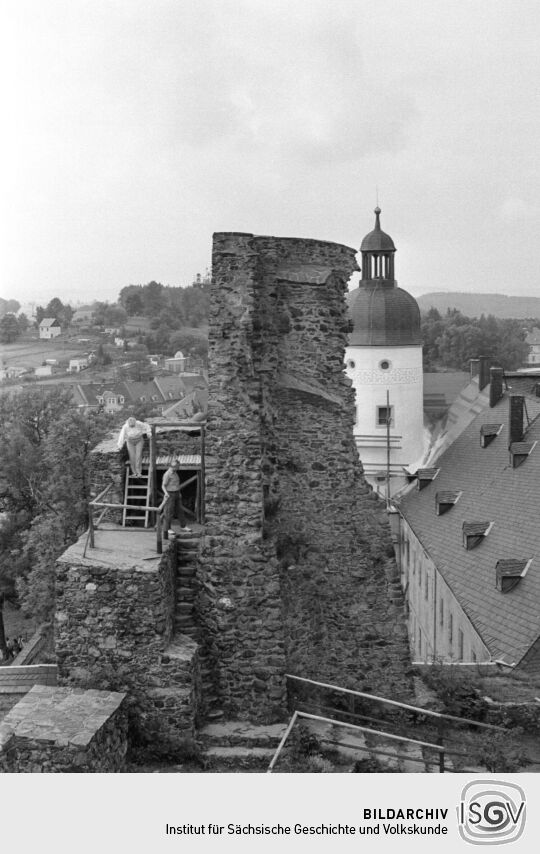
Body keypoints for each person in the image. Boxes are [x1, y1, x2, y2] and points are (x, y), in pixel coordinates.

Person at [162, 460, 191, 534]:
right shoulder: (167, 474)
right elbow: (163, 486)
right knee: (169, 511)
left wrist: (179, 493)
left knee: (180, 510)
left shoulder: (175, 473)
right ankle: (167, 528)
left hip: (177, 493)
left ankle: (183, 526)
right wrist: (166, 493)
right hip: (170, 493)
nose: (178, 468)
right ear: (173, 467)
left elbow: (176, 484)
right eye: (177, 467)